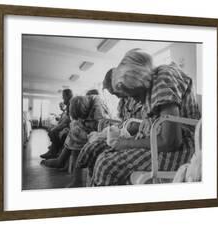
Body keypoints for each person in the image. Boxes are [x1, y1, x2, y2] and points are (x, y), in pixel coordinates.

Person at [83, 49, 201, 186]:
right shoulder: (154, 80)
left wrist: (125, 143)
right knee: (105, 155)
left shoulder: (163, 81)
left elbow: (170, 142)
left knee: (106, 164)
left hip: (186, 148)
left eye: (135, 95)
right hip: (169, 143)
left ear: (140, 81)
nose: (137, 101)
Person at [68, 68, 143, 187]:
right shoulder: (124, 101)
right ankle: (87, 179)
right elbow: (125, 121)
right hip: (121, 130)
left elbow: (136, 125)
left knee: (99, 154)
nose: (117, 96)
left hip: (128, 133)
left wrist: (115, 132)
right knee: (80, 139)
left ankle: (91, 180)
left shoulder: (140, 97)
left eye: (115, 92)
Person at [42, 94, 109, 172]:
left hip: (100, 131)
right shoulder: (83, 104)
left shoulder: (98, 110)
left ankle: (63, 163)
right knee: (74, 132)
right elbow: (77, 120)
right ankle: (61, 160)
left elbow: (100, 128)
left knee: (77, 138)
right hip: (89, 128)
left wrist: (82, 129)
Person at [40, 89, 73, 159]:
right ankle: (52, 150)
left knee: (53, 132)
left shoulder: (71, 104)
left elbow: (67, 121)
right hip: (67, 125)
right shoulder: (69, 105)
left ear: (68, 96)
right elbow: (65, 120)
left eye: (63, 96)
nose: (62, 98)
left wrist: (56, 127)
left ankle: (53, 152)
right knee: (52, 130)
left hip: (70, 126)